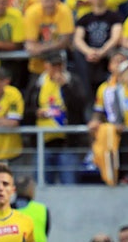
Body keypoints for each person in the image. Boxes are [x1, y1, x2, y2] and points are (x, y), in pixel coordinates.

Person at [23, 52, 87, 185]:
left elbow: (80, 105)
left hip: (67, 142)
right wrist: (37, 112)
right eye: (53, 66)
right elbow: (26, 110)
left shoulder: (73, 81)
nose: (57, 69)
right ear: (46, 66)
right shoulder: (37, 83)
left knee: (69, 183)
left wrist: (65, 86)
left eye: (59, 65)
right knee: (41, 183)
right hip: (43, 142)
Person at [73, 0, 124, 102]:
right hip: (89, 57)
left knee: (116, 57)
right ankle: (88, 103)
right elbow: (77, 39)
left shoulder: (115, 16)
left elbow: (116, 37)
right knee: (78, 55)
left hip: (107, 56)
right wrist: (89, 52)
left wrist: (102, 52)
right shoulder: (84, 18)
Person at [23, 0, 74, 87]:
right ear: (40, 0)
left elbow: (65, 41)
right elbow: (30, 43)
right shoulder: (32, 12)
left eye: (53, 0)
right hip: (37, 64)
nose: (50, 4)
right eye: (46, 0)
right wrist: (40, 48)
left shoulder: (64, 11)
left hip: (59, 65)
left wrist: (42, 48)